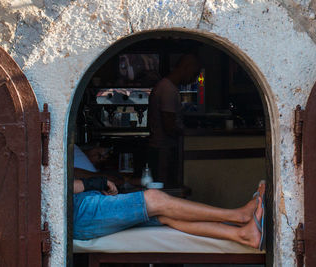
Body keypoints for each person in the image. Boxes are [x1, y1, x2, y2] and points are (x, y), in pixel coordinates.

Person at [73, 145, 266, 250]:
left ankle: (243, 235)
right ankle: (239, 216)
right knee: (155, 198)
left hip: (84, 206)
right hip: (77, 212)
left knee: (164, 215)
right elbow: (60, 186)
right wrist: (94, 182)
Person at [147, 54, 202, 188]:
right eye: (194, 74)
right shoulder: (168, 89)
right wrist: (186, 136)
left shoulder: (167, 87)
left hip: (162, 147)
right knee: (164, 187)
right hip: (163, 150)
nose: (194, 79)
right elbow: (169, 125)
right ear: (186, 67)